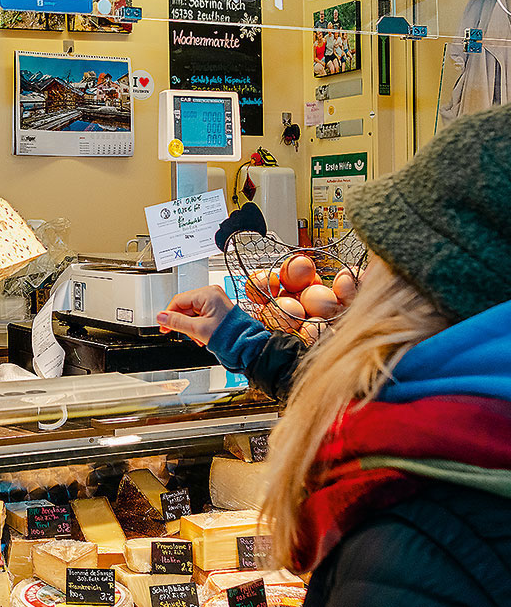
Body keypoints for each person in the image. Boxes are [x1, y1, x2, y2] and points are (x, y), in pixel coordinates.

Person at [158, 103, 511, 604]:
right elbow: (367, 389)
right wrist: (237, 337)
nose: (365, 272)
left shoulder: (405, 544)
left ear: (416, 284)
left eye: (382, 250)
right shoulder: (466, 413)